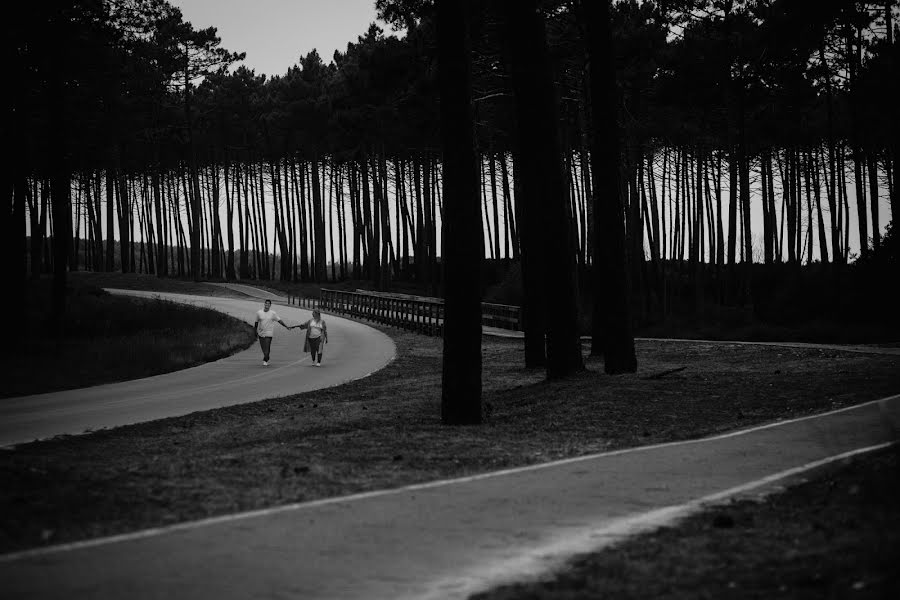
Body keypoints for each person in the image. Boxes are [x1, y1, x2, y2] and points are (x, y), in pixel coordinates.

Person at [255, 299, 290, 366]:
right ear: (264, 304)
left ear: (270, 305)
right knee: (263, 348)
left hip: (269, 333)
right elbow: (256, 322)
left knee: (267, 347)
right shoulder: (259, 312)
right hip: (261, 333)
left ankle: (265, 359)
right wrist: (255, 331)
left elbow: (279, 320)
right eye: (266, 303)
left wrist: (286, 326)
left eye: (268, 304)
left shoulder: (273, 313)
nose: (267, 305)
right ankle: (266, 356)